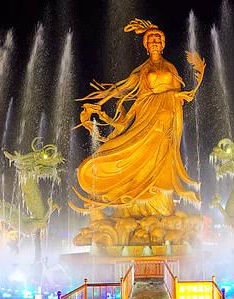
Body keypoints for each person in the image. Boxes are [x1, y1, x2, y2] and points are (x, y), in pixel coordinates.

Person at [72, 19, 205, 217]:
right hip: (147, 119)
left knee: (159, 158)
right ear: (146, 45)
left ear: (163, 43)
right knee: (132, 150)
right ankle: (127, 192)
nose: (154, 43)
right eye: (150, 40)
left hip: (166, 121)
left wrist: (179, 96)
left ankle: (155, 197)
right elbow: (122, 88)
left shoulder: (171, 68)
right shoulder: (144, 70)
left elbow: (178, 93)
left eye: (158, 39)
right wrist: (99, 104)